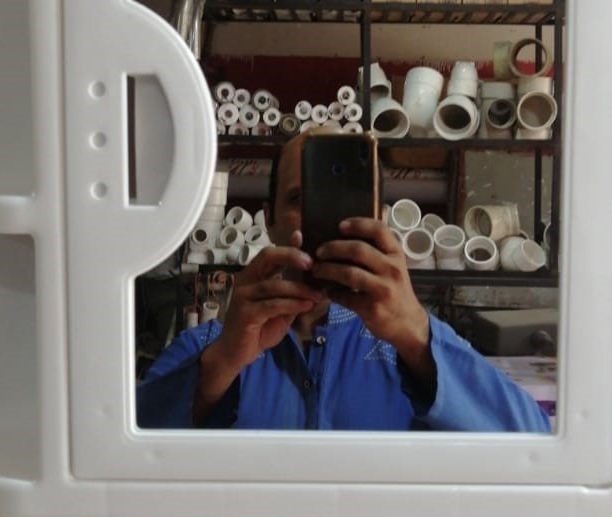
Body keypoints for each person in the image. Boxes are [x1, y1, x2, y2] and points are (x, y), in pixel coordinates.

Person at [137, 131, 551, 433]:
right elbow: (125, 454)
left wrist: (418, 338)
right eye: (299, 200)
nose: (328, 218)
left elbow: (532, 442)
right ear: (269, 221)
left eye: (347, 202)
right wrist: (223, 361)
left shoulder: (413, 352)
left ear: (382, 219)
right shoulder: (210, 347)